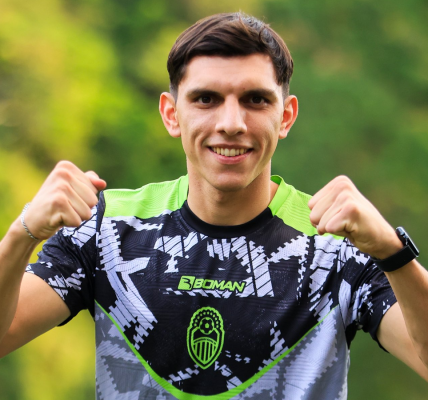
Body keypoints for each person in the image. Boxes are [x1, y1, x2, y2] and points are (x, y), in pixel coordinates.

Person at [0, 12, 427, 399]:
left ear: (285, 116)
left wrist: (392, 252)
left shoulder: (336, 244)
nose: (231, 123)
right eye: (206, 99)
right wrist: (22, 234)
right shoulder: (107, 228)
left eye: (256, 100)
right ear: (171, 114)